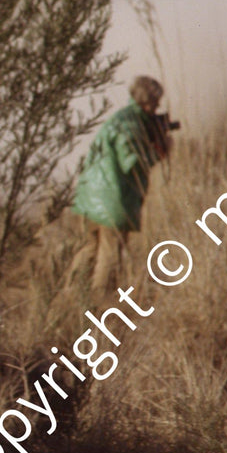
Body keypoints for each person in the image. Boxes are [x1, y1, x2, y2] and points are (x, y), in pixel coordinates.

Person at [65, 75, 173, 296]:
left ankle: (71, 296)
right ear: (147, 100)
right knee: (111, 251)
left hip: (91, 196)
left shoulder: (123, 118)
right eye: (155, 101)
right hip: (111, 198)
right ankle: (99, 302)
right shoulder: (131, 124)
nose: (158, 106)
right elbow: (132, 162)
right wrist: (161, 152)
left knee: (91, 248)